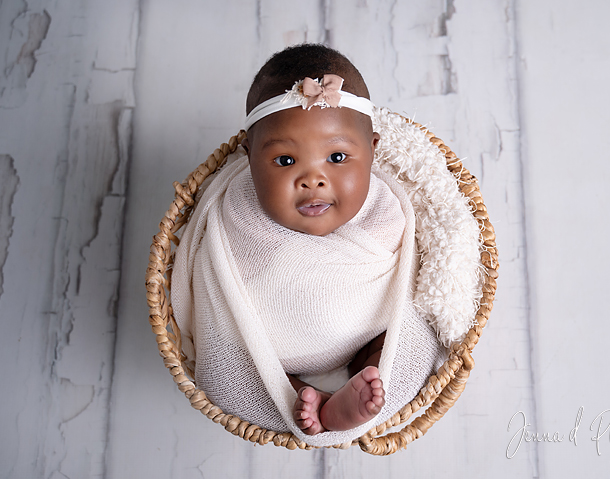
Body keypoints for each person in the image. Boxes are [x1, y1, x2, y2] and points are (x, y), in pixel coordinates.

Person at [171, 43, 448, 445]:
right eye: (285, 161)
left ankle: (357, 385)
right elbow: (219, 289)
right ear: (247, 158)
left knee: (412, 337)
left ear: (372, 150)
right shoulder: (236, 215)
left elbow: (411, 277)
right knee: (227, 370)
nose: (313, 180)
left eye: (337, 157)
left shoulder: (386, 210)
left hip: (365, 338)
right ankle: (301, 395)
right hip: (273, 352)